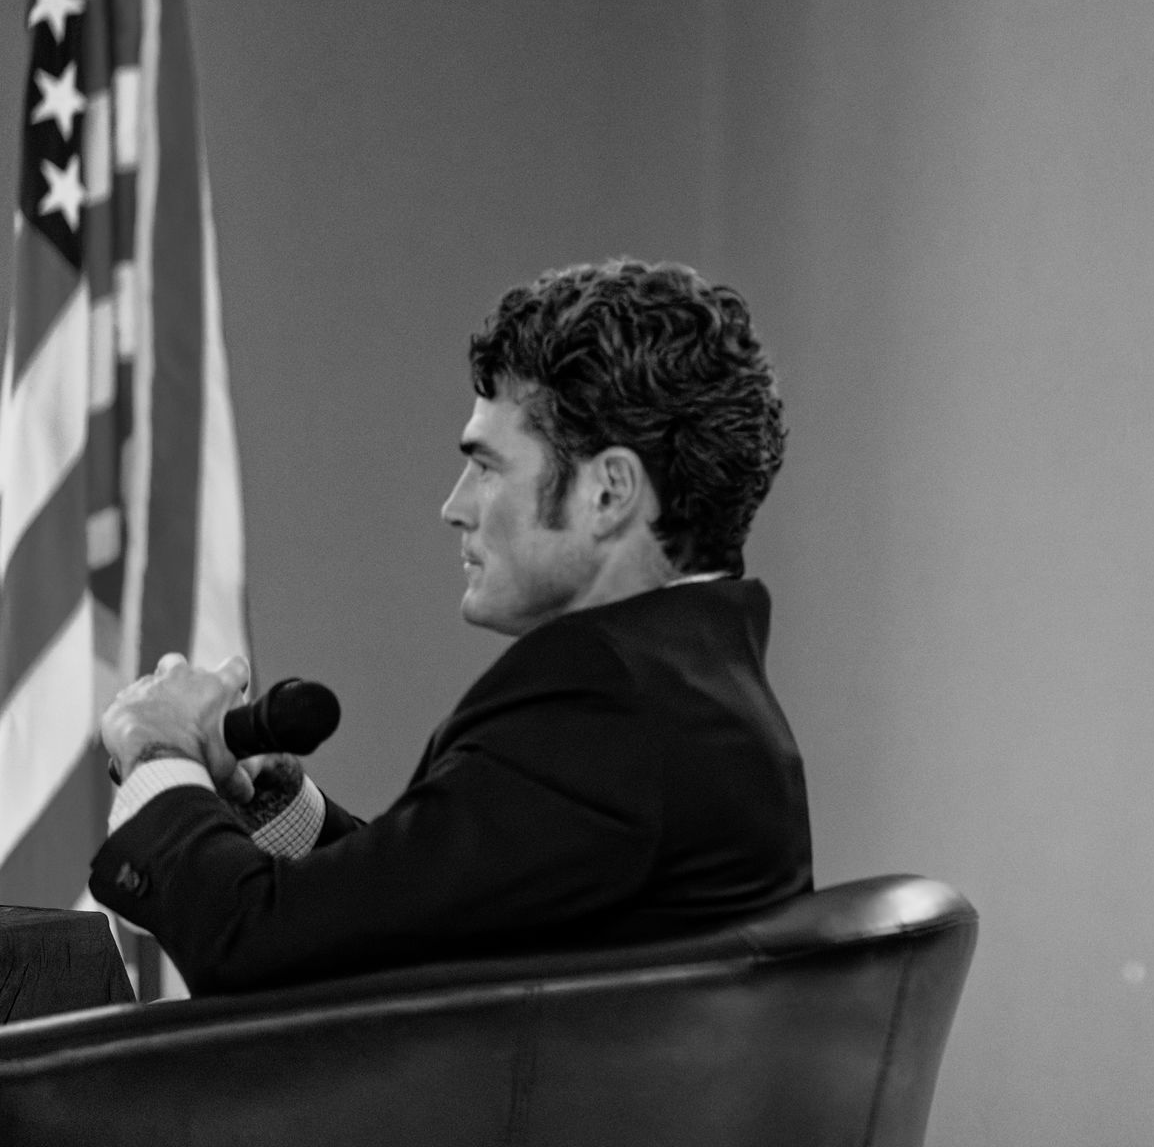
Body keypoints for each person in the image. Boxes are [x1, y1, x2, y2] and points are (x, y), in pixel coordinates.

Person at [89, 259, 810, 995]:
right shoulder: (689, 680)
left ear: (609, 492)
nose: (455, 505)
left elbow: (251, 944)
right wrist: (272, 810)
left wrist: (159, 749)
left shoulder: (600, 702)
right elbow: (440, 923)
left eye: (489, 467)